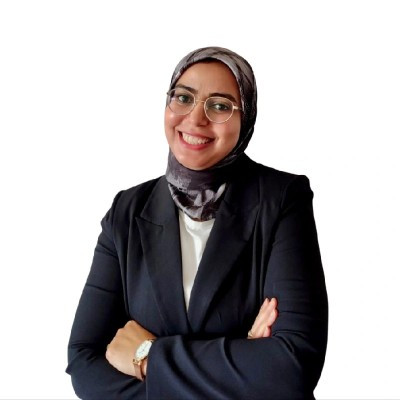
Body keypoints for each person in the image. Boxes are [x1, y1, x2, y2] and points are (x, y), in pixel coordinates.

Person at [66, 46, 328, 399]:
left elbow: (292, 367)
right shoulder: (126, 211)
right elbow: (84, 363)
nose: (195, 118)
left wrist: (147, 357)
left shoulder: (281, 199)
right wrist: (241, 367)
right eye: (183, 97)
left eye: (220, 105)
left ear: (246, 118)